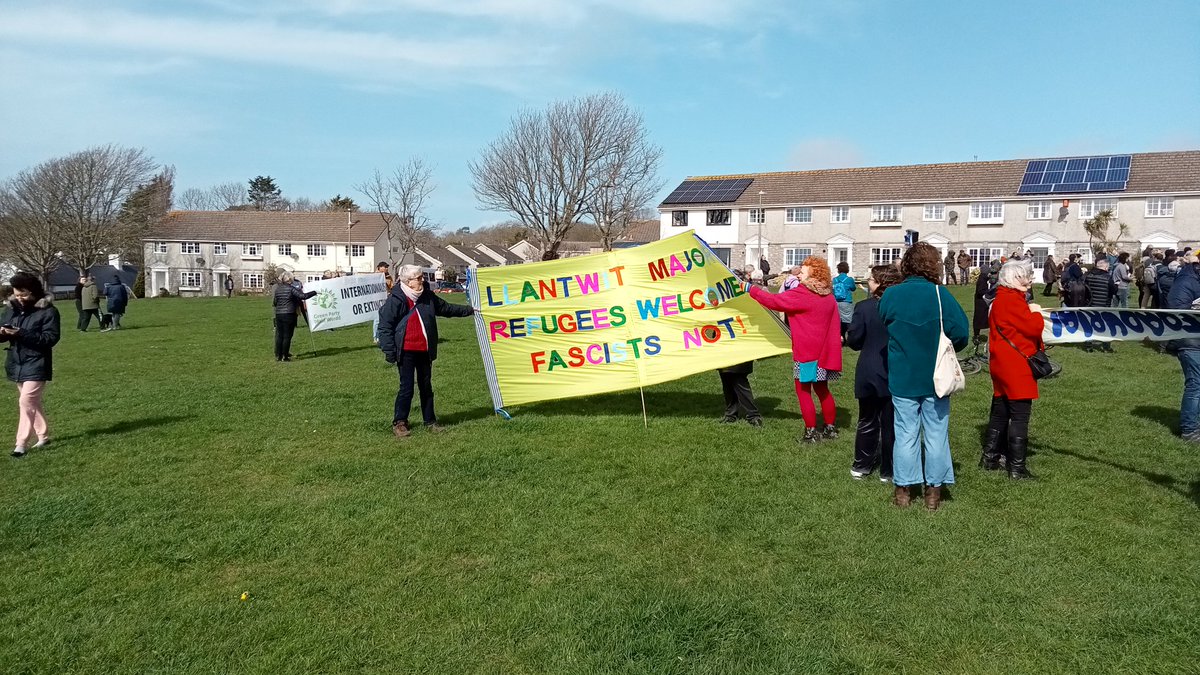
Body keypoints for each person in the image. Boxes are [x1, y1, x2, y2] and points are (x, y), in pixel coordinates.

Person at [878, 242, 969, 511]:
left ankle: (903, 492)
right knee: (936, 432)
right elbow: (961, 332)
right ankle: (933, 492)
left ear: (907, 264)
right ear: (934, 265)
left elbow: (885, 321)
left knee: (905, 432)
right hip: (935, 375)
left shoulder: (891, 296)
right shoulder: (940, 295)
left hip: (903, 374)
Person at [744, 256, 842, 443]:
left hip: (806, 353)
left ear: (813, 273)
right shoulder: (828, 295)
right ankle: (830, 428)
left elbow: (774, 301)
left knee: (803, 391)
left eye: (802, 272)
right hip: (824, 353)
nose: (798, 275)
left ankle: (810, 433)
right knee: (823, 390)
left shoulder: (803, 294)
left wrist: (751, 289)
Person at [377, 264, 474, 437]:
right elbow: (385, 327)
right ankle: (400, 422)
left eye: (422, 277)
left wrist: (470, 310)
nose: (422, 280)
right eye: (419, 278)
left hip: (424, 350)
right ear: (407, 281)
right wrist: (390, 351)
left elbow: (446, 308)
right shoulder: (396, 299)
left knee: (426, 386)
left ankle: (430, 421)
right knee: (406, 388)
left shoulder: (427, 296)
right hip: (405, 351)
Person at [980, 261, 1045, 479]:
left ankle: (990, 458)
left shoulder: (1000, 298)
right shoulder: (1012, 300)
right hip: (1016, 364)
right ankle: (1016, 467)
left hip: (1001, 362)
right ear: (1015, 278)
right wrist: (1036, 312)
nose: (1030, 279)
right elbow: (1033, 327)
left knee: (1000, 411)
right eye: (1027, 276)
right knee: (1020, 415)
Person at [845, 264, 903, 481]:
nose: (867, 283)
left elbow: (855, 340)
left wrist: (850, 336)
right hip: (895, 368)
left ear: (880, 283)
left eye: (871, 279)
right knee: (891, 422)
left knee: (868, 419)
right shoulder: (902, 307)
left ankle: (862, 465)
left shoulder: (865, 307)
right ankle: (888, 470)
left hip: (870, 368)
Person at [1, 273, 61, 457]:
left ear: (34, 291)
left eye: (24, 294)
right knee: (31, 402)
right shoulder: (11, 309)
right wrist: (3, 332)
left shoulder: (48, 311)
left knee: (26, 401)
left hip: (37, 362)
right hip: (16, 362)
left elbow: (50, 339)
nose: (20, 298)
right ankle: (43, 436)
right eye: (17, 295)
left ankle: (21, 443)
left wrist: (21, 333)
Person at [1167, 252, 1200, 442]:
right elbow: (1175, 308)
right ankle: (1189, 430)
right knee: (1196, 385)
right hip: (1191, 340)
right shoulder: (1187, 278)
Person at [271, 271, 316, 362]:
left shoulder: (278, 289)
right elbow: (303, 296)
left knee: (280, 335)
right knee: (287, 336)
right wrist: (314, 292)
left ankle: (279, 356)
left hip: (279, 314)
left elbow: (275, 302)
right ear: (290, 280)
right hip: (289, 314)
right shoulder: (291, 289)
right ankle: (285, 356)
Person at [1084, 259, 1117, 353]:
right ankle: (1106, 346)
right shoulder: (1108, 277)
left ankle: (1088, 346)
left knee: (1089, 325)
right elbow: (1114, 291)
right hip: (1104, 305)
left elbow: (1085, 289)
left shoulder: (1088, 275)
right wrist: (1116, 285)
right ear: (1106, 267)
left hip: (1089, 304)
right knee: (1106, 326)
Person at [717, 361, 762, 427]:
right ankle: (731, 415)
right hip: (724, 355)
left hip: (738, 356)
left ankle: (754, 416)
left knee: (739, 381)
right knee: (727, 382)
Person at [973, 260, 1000, 341]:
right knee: (978, 319)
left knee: (985, 317)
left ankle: (980, 334)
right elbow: (980, 291)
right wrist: (989, 292)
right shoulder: (982, 279)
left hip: (982, 301)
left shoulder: (984, 278)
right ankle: (976, 335)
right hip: (980, 301)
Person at [832, 262, 856, 340]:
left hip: (836, 301)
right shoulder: (849, 279)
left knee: (838, 320)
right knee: (849, 320)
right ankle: (850, 337)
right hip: (846, 301)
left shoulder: (834, 279)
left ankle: (841, 337)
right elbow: (853, 288)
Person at [372, 261, 393, 344]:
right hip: (377, 300)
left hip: (386, 299)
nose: (386, 268)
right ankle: (376, 337)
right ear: (379, 267)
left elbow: (392, 287)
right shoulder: (374, 276)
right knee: (377, 319)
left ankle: (384, 335)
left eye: (387, 267)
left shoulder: (388, 277)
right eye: (385, 267)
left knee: (386, 318)